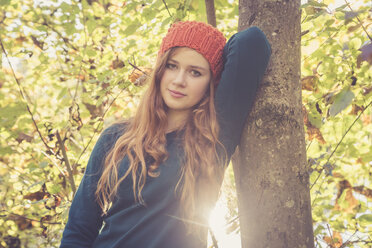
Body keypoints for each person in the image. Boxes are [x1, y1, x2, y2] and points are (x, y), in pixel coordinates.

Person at [60, 21, 271, 248]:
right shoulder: (117, 138)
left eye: (195, 72)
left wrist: (215, 57)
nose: (179, 80)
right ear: (160, 69)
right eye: (172, 66)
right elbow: (79, 228)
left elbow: (252, 42)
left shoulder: (212, 139)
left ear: (212, 82)